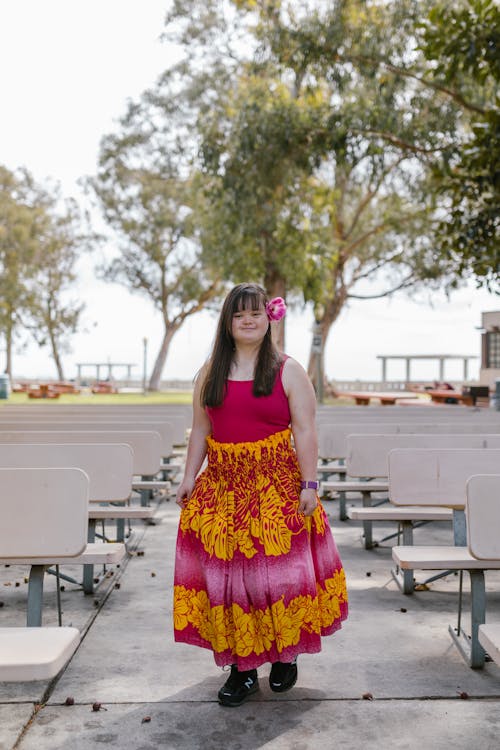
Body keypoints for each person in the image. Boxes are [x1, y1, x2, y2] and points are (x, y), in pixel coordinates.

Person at [173, 282, 348, 707]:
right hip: (223, 489)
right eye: (239, 314)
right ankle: (243, 670)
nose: (248, 320)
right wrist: (188, 477)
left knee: (281, 578)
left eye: (255, 313)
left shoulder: (289, 370)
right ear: (228, 323)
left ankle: (285, 655)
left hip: (277, 487)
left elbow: (305, 430)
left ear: (269, 318)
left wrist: (310, 483)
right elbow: (201, 429)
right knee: (232, 582)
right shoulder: (209, 373)